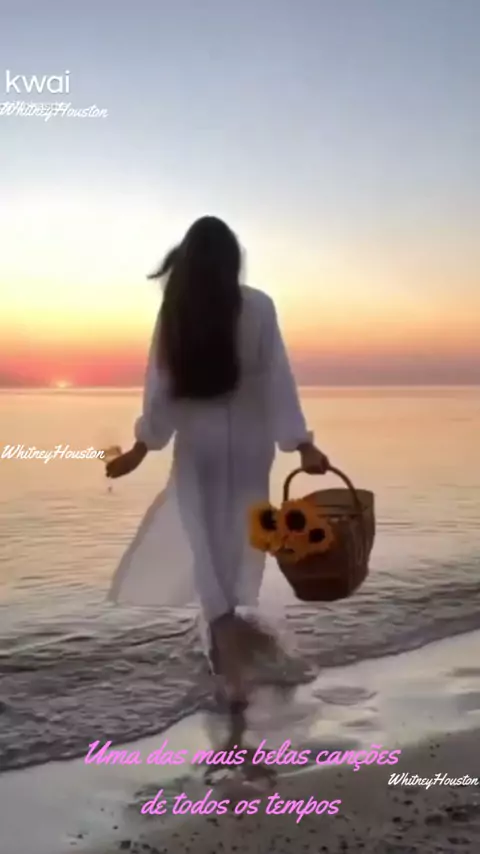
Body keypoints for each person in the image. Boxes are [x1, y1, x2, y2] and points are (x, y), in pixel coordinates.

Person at [106, 216, 329, 714]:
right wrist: (300, 444)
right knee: (237, 544)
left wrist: (143, 446)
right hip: (251, 447)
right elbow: (279, 380)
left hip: (198, 449)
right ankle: (238, 647)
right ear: (232, 260)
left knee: (203, 545)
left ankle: (228, 662)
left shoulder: (178, 311)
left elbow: (160, 387)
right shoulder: (259, 306)